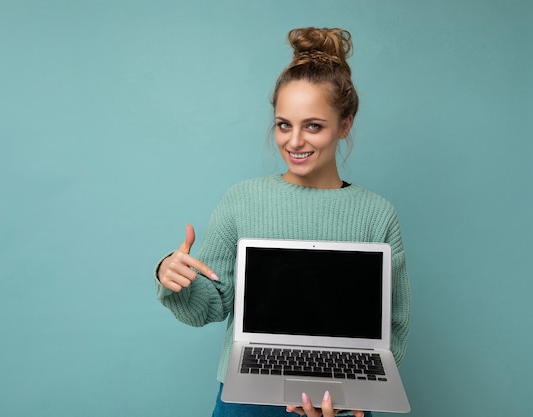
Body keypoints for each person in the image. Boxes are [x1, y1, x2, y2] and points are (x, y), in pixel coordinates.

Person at [154, 27, 411, 417]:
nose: (294, 142)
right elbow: (210, 306)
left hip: (338, 402)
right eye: (283, 124)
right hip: (248, 397)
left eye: (313, 125)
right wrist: (172, 276)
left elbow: (393, 327)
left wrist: (348, 397)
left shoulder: (377, 214)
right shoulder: (242, 200)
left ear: (345, 125)